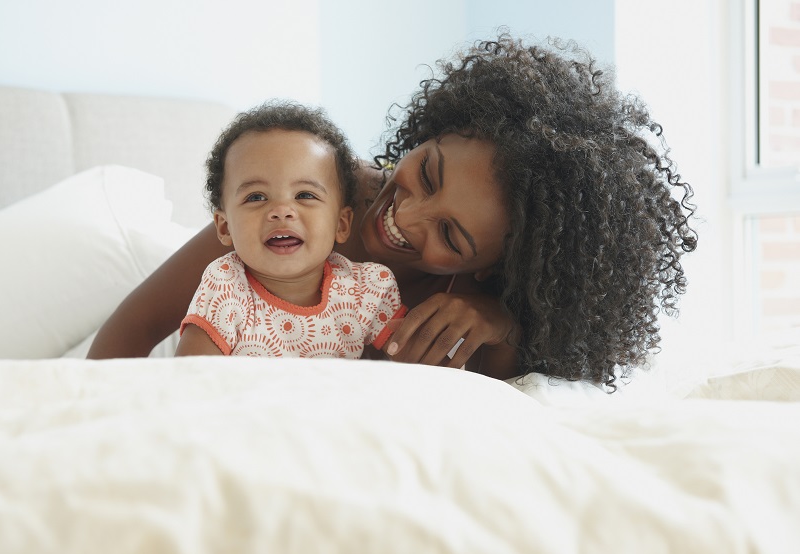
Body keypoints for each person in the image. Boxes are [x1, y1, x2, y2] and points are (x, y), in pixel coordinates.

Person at [88, 30, 698, 389]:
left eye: (452, 236)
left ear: (491, 266)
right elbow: (132, 331)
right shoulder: (312, 196)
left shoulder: (471, 314)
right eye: (427, 172)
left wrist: (505, 322)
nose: (404, 218)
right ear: (441, 126)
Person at [175, 101, 406, 358]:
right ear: (225, 227)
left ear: (341, 225)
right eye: (256, 197)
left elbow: (412, 363)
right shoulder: (225, 287)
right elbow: (190, 376)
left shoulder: (363, 290)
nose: (282, 210)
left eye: (304, 194)